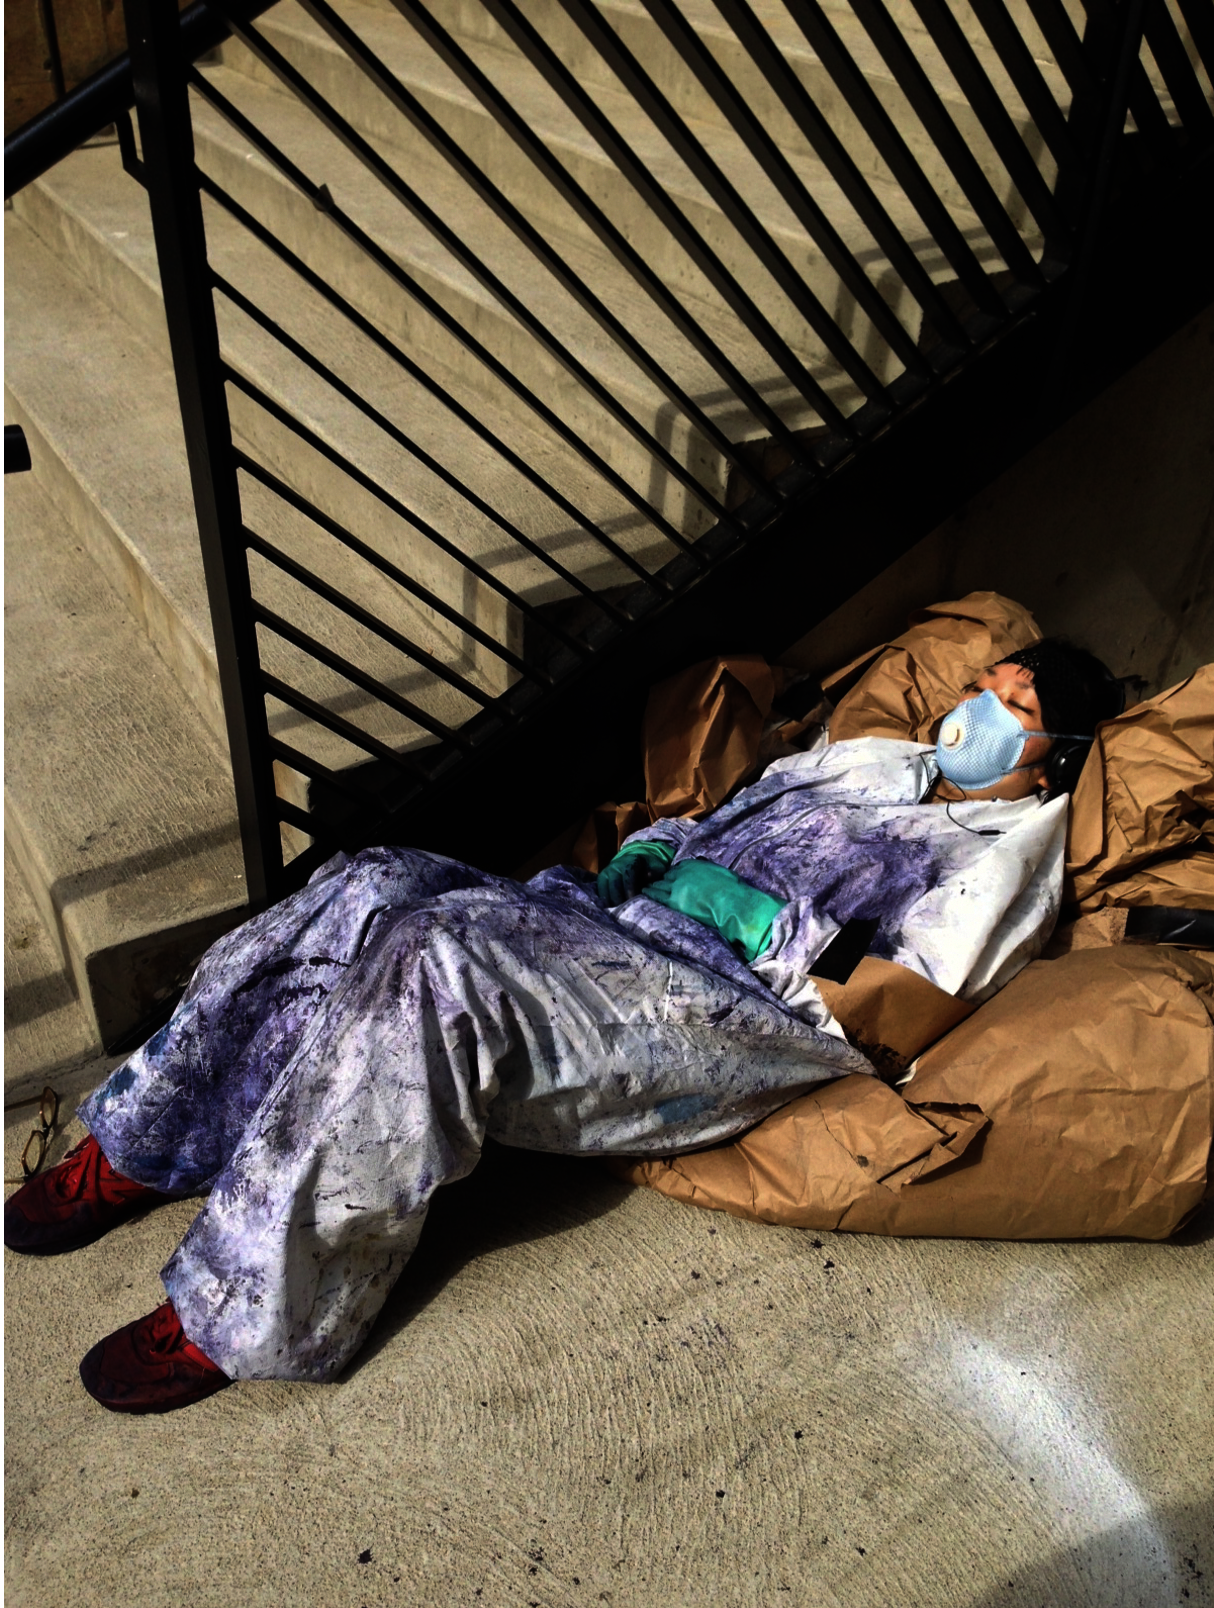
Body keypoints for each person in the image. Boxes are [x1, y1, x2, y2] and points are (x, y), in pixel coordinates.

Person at [5, 638, 1121, 1413]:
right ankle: (152, 1138)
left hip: (729, 1012)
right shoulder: (872, 759)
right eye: (985, 683)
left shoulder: (1004, 853)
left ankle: (248, 1304)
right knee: (371, 884)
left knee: (439, 968)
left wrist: (761, 925)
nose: (978, 708)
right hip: (617, 930)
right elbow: (723, 822)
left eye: (1015, 708)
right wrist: (668, 860)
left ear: (1053, 749)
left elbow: (906, 999)